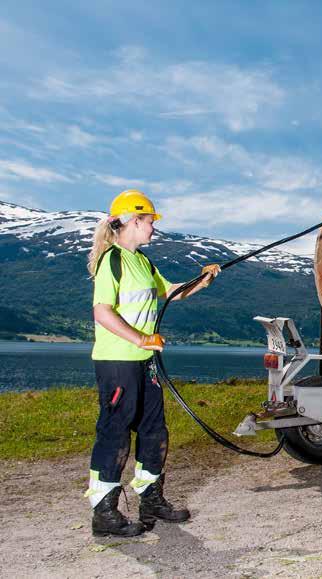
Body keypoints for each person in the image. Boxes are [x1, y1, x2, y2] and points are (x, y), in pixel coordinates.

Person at [85, 189, 221, 537]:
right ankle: (104, 513)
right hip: (117, 362)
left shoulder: (143, 262)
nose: (153, 228)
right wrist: (140, 339)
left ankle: (151, 499)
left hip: (145, 362)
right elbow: (102, 312)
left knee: (154, 431)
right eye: (148, 221)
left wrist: (203, 280)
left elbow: (172, 291)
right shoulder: (111, 261)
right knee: (114, 433)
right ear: (132, 221)